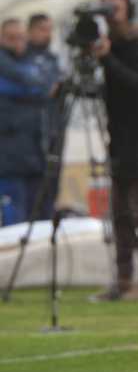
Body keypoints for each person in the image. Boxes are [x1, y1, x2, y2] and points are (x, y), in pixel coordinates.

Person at [87, 0, 138, 302]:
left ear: (127, 7)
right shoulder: (109, 45)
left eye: (115, 7)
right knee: (118, 212)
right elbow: (112, 90)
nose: (111, 14)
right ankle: (122, 279)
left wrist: (107, 59)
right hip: (118, 139)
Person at [0, 18, 48, 226]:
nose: (17, 42)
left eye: (21, 37)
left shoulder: (33, 61)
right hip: (7, 163)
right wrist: (37, 89)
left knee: (38, 222)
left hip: (35, 158)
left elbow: (45, 84)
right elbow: (39, 87)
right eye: (11, 38)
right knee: (13, 222)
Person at [25, 13, 61, 220]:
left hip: (52, 134)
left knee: (49, 194)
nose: (47, 35)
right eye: (42, 29)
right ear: (31, 31)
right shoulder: (21, 60)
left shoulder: (52, 60)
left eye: (50, 30)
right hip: (28, 141)